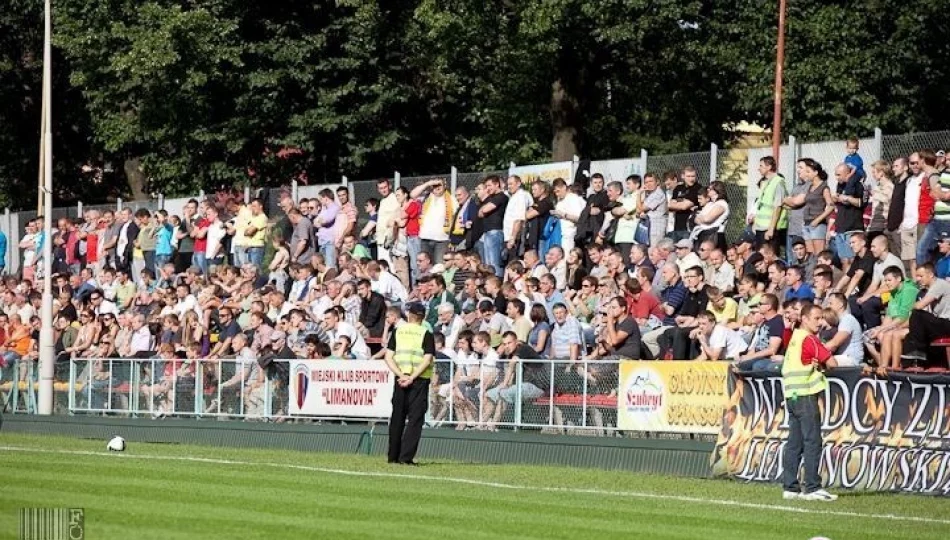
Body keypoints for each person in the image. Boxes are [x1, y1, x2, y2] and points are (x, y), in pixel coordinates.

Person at [781, 303, 838, 501]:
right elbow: (833, 363)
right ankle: (813, 487)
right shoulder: (809, 339)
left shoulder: (795, 337)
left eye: (822, 318)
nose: (821, 322)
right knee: (812, 440)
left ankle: (790, 487)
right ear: (804, 319)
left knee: (794, 442)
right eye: (816, 318)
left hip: (792, 395)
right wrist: (821, 364)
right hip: (805, 395)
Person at [383, 302, 435, 465]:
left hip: (400, 379)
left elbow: (388, 357)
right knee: (415, 419)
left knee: (397, 417)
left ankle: (393, 456)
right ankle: (406, 457)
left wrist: (401, 375)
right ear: (423, 317)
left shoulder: (398, 331)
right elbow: (427, 359)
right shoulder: (426, 333)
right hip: (418, 380)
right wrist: (412, 377)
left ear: (409, 315)